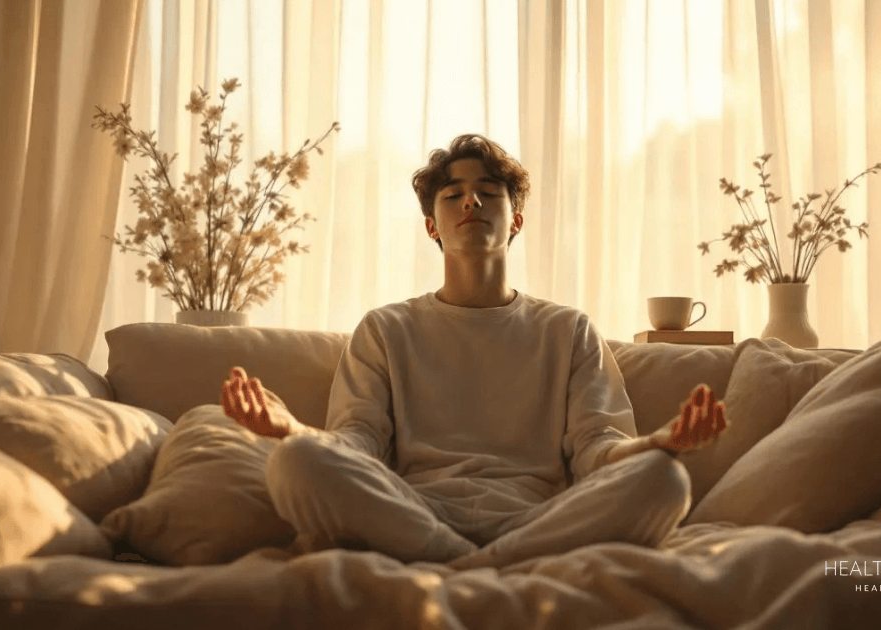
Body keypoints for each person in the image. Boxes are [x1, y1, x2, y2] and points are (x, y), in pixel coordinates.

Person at [221, 134, 729, 569]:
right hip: (413, 514)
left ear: (515, 222)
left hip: (538, 520)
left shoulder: (567, 330)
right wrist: (291, 430)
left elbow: (599, 451)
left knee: (664, 480)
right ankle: (477, 561)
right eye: (454, 194)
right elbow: (358, 444)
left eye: (489, 192)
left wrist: (662, 442)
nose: (471, 203)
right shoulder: (385, 329)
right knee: (295, 462)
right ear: (432, 226)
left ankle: (465, 565)